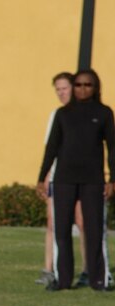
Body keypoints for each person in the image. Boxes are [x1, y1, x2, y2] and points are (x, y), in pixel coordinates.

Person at [37, 68, 115, 291]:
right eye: (78, 85)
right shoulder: (63, 114)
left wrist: (112, 179)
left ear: (95, 87)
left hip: (93, 180)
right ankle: (62, 280)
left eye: (87, 85)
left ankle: (98, 280)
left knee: (94, 229)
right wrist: (41, 178)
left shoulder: (104, 113)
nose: (82, 89)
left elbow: (113, 148)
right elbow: (51, 148)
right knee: (61, 230)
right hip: (64, 180)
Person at [38, 72, 89, 287]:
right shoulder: (57, 115)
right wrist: (46, 176)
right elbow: (51, 148)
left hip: (82, 176)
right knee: (54, 223)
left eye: (64, 88)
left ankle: (89, 269)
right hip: (59, 177)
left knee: (83, 222)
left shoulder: (87, 113)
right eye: (57, 89)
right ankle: (49, 269)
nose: (61, 93)